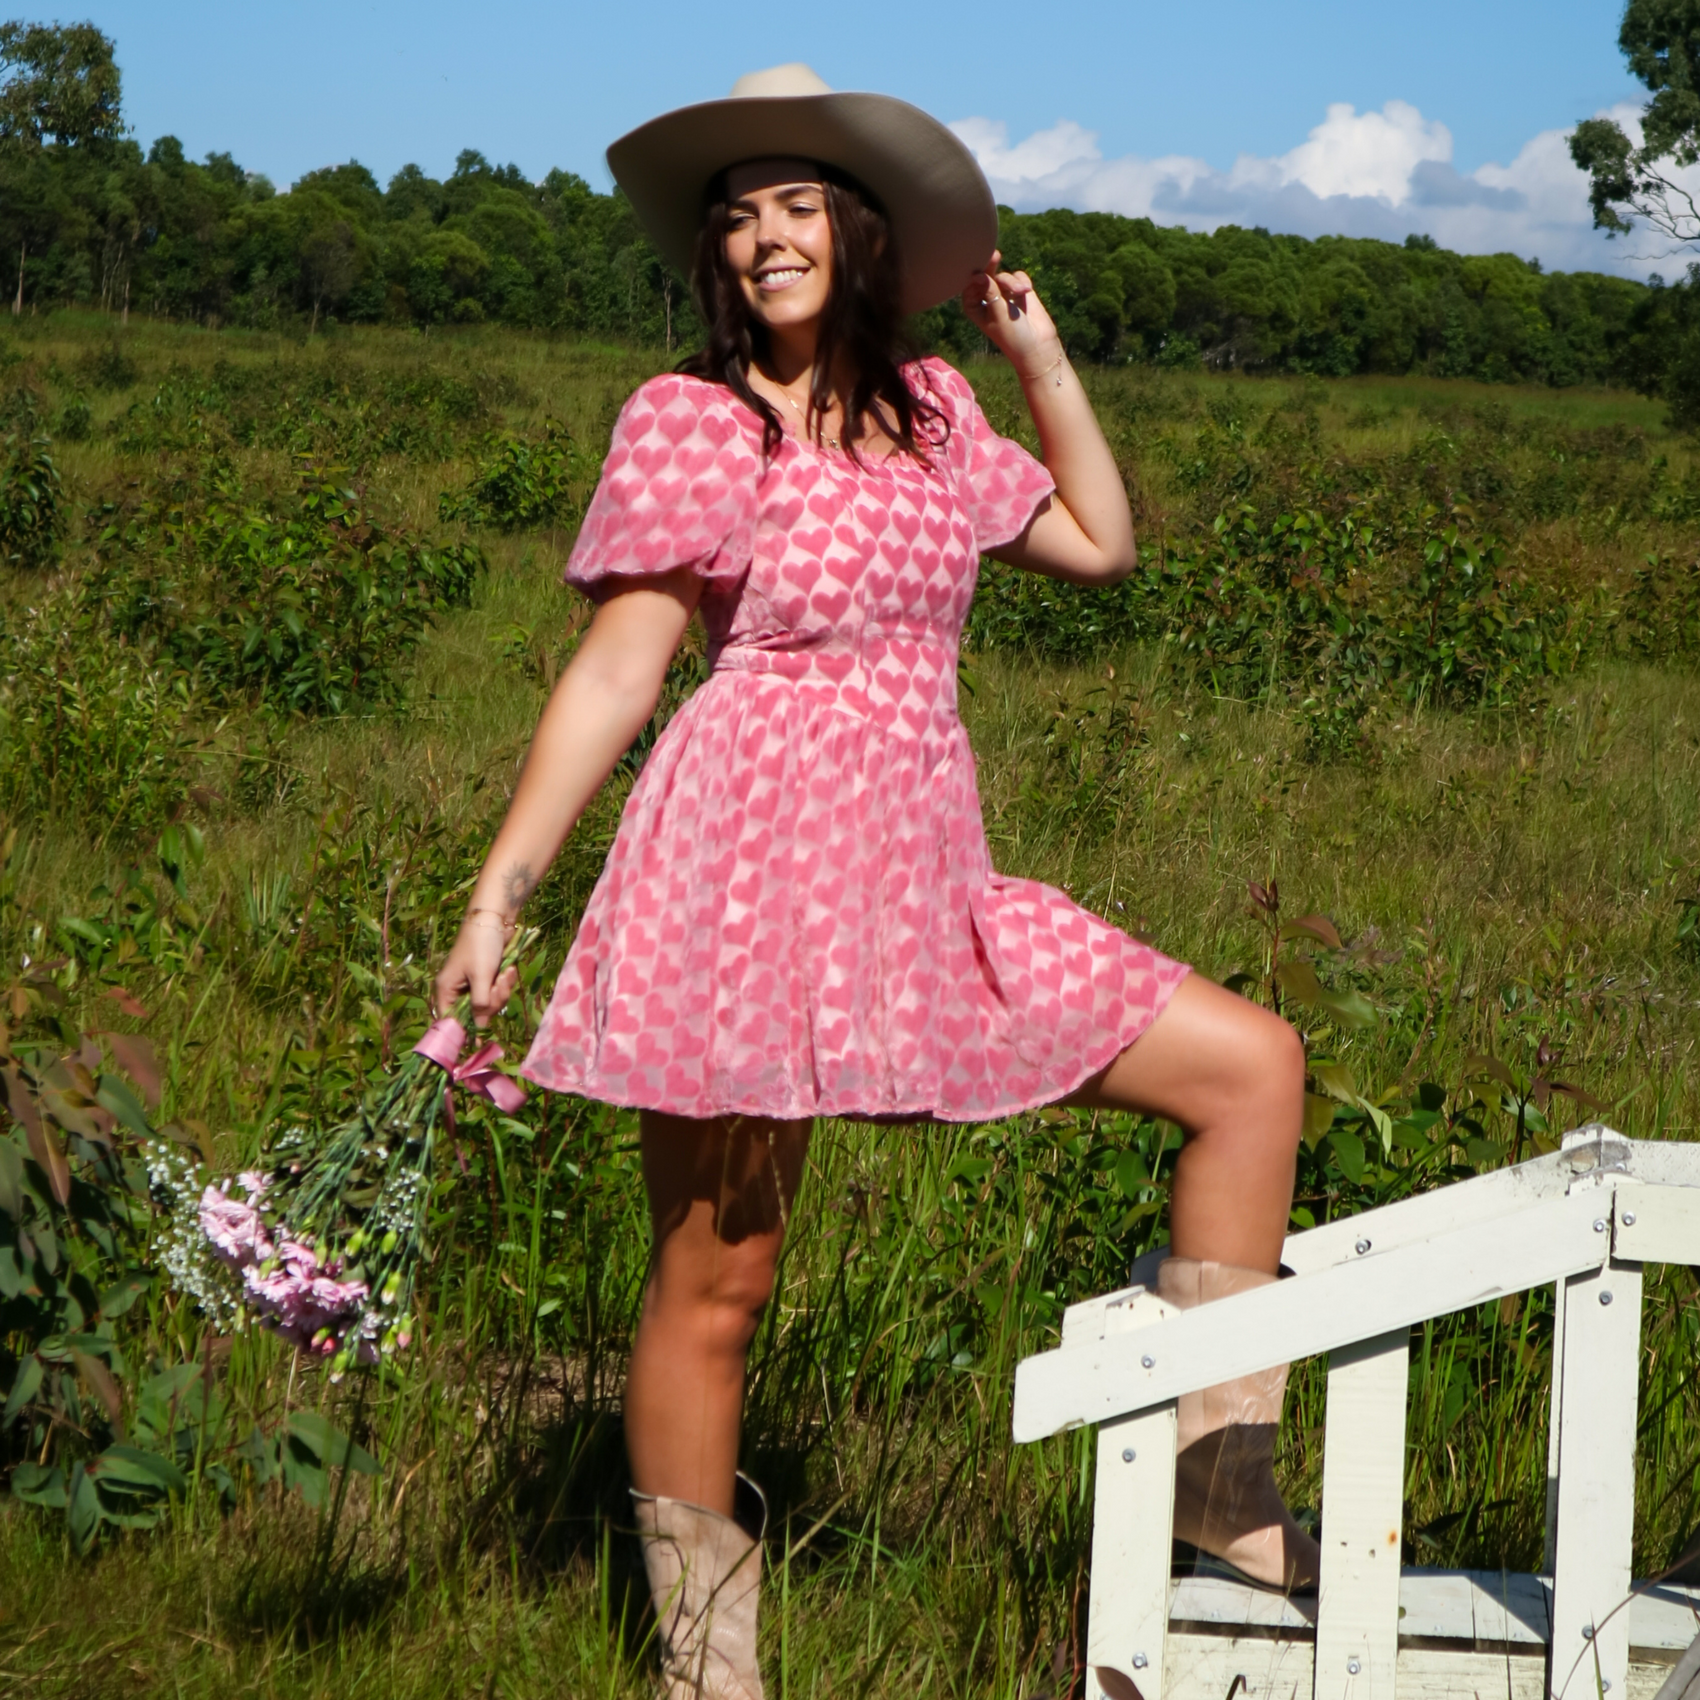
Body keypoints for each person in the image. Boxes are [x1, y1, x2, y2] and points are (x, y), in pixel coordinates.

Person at [433, 63, 1315, 1700]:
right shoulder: (693, 416)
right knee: (722, 1277)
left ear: (857, 230)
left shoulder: (931, 411)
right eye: (739, 215)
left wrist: (1032, 351)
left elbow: (1101, 545)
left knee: (1251, 1068)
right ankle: (710, 1670)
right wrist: (504, 891)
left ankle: (1221, 1495)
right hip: (740, 869)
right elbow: (624, 670)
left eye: (793, 207)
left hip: (925, 872)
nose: (765, 238)